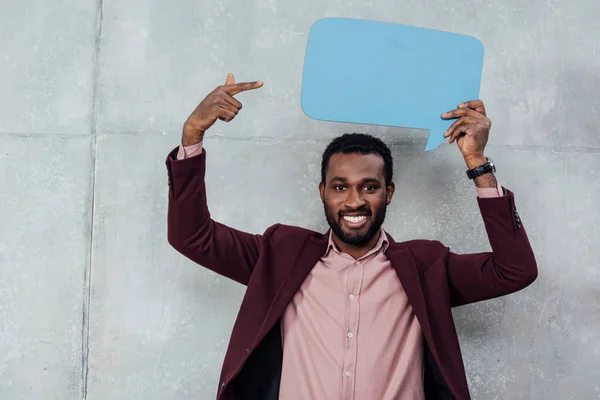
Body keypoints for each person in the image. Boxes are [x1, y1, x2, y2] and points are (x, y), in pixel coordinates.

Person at [165, 73, 538, 400]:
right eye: (340, 187)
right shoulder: (280, 254)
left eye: (369, 187)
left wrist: (477, 162)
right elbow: (191, 236)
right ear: (322, 191)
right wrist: (192, 135)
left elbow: (514, 270)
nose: (354, 200)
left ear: (388, 193)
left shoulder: (426, 266)